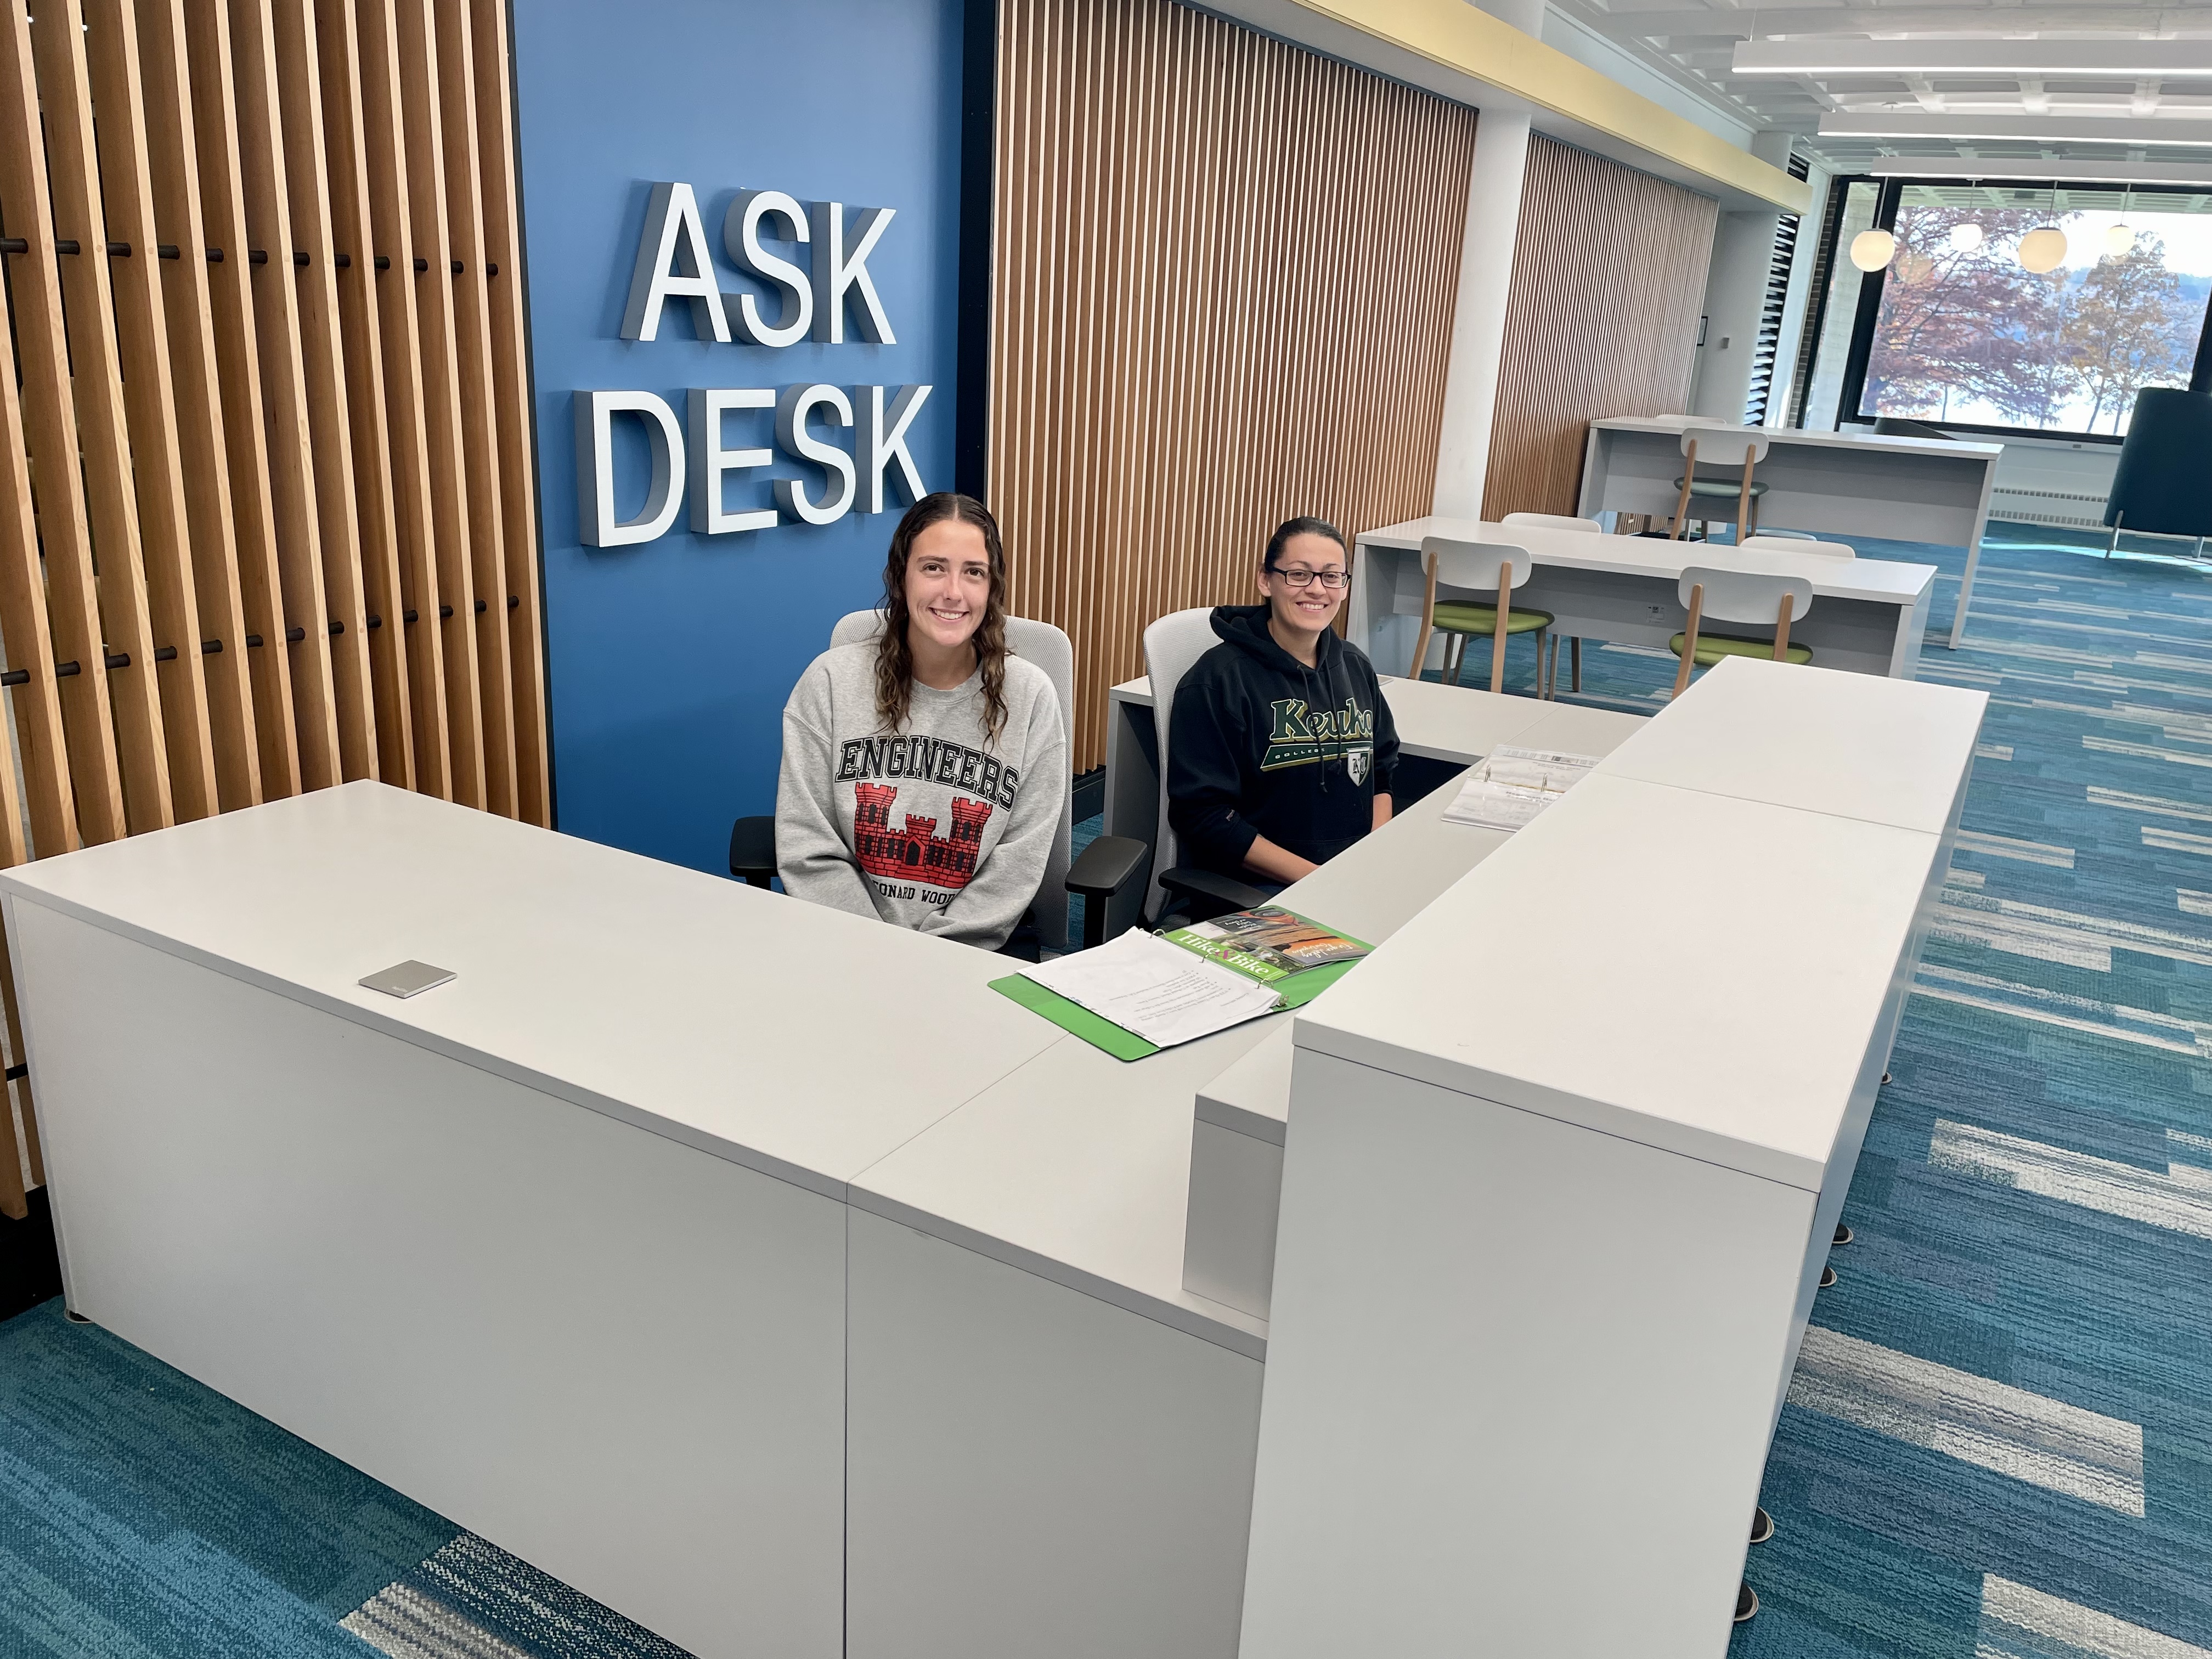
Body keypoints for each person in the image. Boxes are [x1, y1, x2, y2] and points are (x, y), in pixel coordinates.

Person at [776, 493, 1065, 951]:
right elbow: (810, 847)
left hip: (973, 950)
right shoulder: (829, 682)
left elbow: (1018, 861)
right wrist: (878, 951)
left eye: (974, 572)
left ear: (992, 588)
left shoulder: (1030, 697)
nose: (954, 592)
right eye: (934, 567)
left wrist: (930, 957)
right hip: (847, 944)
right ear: (900, 577)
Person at [1167, 516, 1398, 888]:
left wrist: (1368, 860)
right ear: (1266, 580)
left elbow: (1381, 772)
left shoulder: (1355, 666)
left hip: (1351, 878)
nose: (1317, 590)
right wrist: (1320, 882)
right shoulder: (1217, 681)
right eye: (1299, 574)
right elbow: (1203, 815)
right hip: (1260, 889)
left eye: (1332, 576)